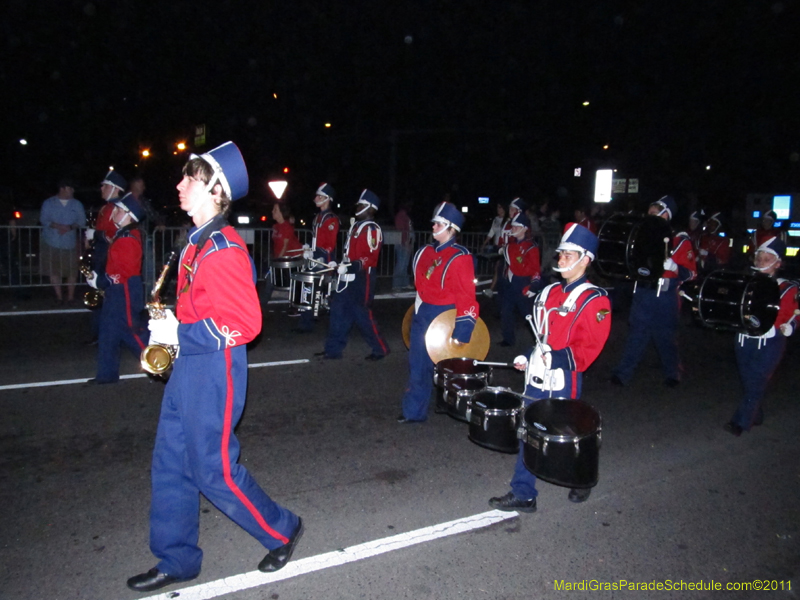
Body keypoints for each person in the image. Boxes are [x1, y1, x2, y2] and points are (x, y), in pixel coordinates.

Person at [127, 142, 303, 593]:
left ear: (215, 189)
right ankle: (177, 559)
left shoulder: (223, 247)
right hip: (189, 367)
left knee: (214, 469)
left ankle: (282, 528)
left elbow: (244, 322)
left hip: (215, 370)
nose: (180, 184)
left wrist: (180, 334)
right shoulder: (195, 243)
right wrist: (169, 323)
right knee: (170, 463)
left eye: (191, 178)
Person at [489, 222, 611, 511]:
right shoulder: (550, 292)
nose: (561, 260)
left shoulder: (595, 299)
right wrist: (529, 354)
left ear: (587, 259)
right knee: (529, 429)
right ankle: (524, 493)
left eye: (569, 254)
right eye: (561, 254)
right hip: (537, 375)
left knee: (565, 436)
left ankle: (581, 479)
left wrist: (555, 358)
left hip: (564, 377)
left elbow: (590, 347)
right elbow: (543, 335)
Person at [399, 201, 479, 423]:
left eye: (439, 224)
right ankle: (413, 411)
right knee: (417, 364)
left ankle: (459, 408)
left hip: (445, 315)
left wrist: (462, 332)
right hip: (423, 312)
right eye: (434, 223)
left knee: (447, 368)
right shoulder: (424, 252)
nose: (433, 227)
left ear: (452, 228)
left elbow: (466, 296)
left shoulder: (460, 256)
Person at [610, 196, 697, 387]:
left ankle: (673, 373)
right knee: (636, 335)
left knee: (665, 337)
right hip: (643, 290)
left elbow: (691, 273)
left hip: (665, 295)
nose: (649, 217)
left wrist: (675, 268)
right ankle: (623, 373)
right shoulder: (641, 236)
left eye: (654, 213)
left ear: (666, 214)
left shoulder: (680, 241)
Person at [724, 237, 797, 436]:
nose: (761, 262)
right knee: (750, 382)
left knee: (756, 382)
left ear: (778, 263)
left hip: (770, 343)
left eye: (766, 259)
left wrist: (792, 326)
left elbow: (794, 314)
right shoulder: (747, 283)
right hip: (744, 339)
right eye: (759, 258)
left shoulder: (788, 288)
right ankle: (756, 414)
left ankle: (740, 422)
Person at [318, 189, 389, 360]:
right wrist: (340, 264)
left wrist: (349, 267)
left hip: (362, 278)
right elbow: (351, 253)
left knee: (362, 316)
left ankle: (380, 348)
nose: (358, 207)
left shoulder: (372, 229)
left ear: (370, 208)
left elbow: (369, 257)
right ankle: (333, 350)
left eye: (362, 205)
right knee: (338, 313)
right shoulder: (357, 226)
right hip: (347, 276)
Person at [85, 193, 147, 384]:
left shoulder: (128, 238)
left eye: (120, 210)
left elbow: (123, 272)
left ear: (129, 215)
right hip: (118, 289)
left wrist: (101, 282)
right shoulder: (123, 234)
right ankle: (107, 374)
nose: (115, 213)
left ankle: (163, 365)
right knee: (108, 332)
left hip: (125, 290)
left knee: (132, 332)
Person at [293, 183, 339, 332]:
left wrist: (317, 253)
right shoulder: (318, 217)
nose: (316, 198)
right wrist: (309, 247)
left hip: (325, 258)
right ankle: (306, 323)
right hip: (315, 256)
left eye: (319, 196)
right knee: (311, 290)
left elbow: (329, 245)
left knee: (323, 292)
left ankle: (336, 321)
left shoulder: (331, 218)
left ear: (327, 199)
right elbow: (317, 239)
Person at [39, 179, 86, 304]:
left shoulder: (77, 204)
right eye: (70, 188)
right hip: (51, 241)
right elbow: (44, 219)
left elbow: (82, 221)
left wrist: (70, 227)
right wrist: (58, 226)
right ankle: (58, 296)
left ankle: (70, 296)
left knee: (72, 270)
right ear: (63, 188)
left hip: (69, 242)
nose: (73, 191)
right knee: (54, 270)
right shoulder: (49, 203)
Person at [498, 213, 542, 347]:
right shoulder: (510, 245)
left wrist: (533, 285)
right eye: (513, 226)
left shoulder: (531, 247)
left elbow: (535, 269)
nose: (513, 228)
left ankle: (541, 340)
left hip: (522, 283)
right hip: (510, 284)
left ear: (524, 228)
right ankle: (508, 339)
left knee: (528, 315)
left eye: (517, 226)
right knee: (506, 312)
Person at [261, 202, 303, 308]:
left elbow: (284, 246)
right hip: (281, 260)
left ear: (281, 213)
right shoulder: (276, 226)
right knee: (273, 282)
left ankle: (261, 306)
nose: (272, 212)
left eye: (275, 210)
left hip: (292, 260)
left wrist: (276, 262)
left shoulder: (287, 227)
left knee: (273, 282)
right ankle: (261, 306)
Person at [479, 202, 507, 298]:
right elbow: (491, 232)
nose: (498, 209)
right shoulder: (496, 219)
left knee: (499, 268)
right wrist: (484, 243)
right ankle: (496, 288)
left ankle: (492, 289)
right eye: (497, 207)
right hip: (497, 247)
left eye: (500, 207)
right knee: (498, 268)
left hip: (504, 247)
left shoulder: (508, 220)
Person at [392, 201, 414, 291]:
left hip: (404, 242)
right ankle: (396, 285)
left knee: (404, 264)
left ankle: (404, 283)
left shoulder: (403, 216)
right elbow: (402, 230)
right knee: (401, 264)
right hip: (403, 243)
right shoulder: (401, 216)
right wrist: (405, 242)